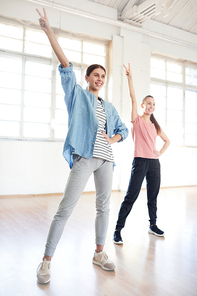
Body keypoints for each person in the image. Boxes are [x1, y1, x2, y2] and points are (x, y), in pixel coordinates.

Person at [35, 8, 128, 284]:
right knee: (65, 208)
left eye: (103, 76)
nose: (99, 78)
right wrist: (49, 31)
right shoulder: (77, 96)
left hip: (106, 161)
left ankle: (99, 253)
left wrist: (112, 139)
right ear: (87, 78)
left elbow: (123, 130)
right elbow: (66, 65)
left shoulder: (108, 107)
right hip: (84, 158)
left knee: (104, 208)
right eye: (95, 75)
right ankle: (46, 261)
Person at [113, 63, 170, 245]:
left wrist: (159, 152)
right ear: (143, 105)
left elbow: (167, 141)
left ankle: (153, 225)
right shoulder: (137, 120)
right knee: (131, 196)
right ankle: (118, 229)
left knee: (152, 196)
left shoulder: (156, 125)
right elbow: (132, 98)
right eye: (148, 103)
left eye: (153, 104)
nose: (151, 106)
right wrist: (130, 78)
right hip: (140, 162)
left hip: (154, 164)